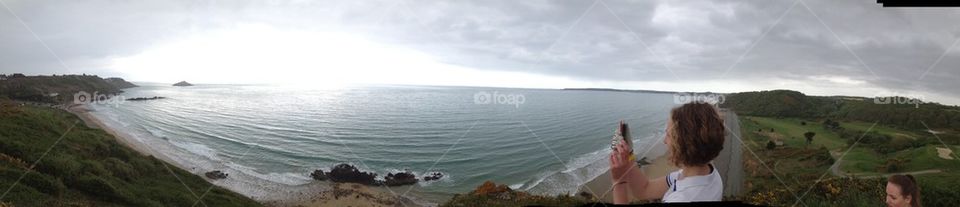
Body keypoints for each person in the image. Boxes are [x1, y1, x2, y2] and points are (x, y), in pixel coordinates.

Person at [609, 102, 725, 204]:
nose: (664, 141)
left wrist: (619, 182)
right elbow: (645, 189)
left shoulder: (681, 199)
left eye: (669, 135)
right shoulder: (710, 175)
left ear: (683, 145)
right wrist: (629, 156)